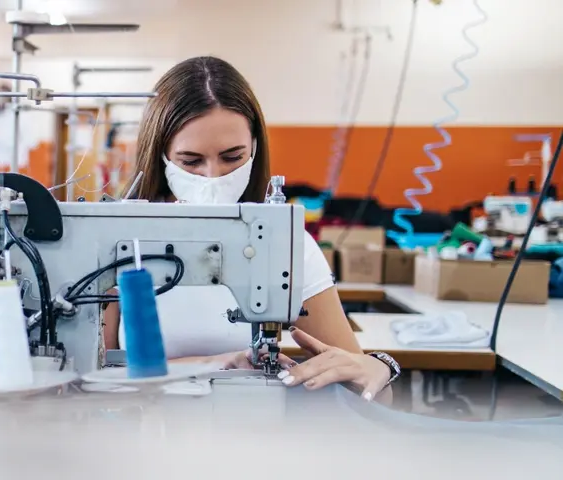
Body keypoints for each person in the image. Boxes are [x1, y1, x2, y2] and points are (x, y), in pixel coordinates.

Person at [102, 57, 399, 403]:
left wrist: (378, 369)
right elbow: (94, 377)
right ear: (161, 156)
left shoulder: (287, 245)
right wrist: (217, 364)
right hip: (147, 435)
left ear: (255, 150)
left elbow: (373, 395)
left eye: (232, 157)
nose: (212, 177)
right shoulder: (120, 243)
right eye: (191, 161)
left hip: (256, 440)